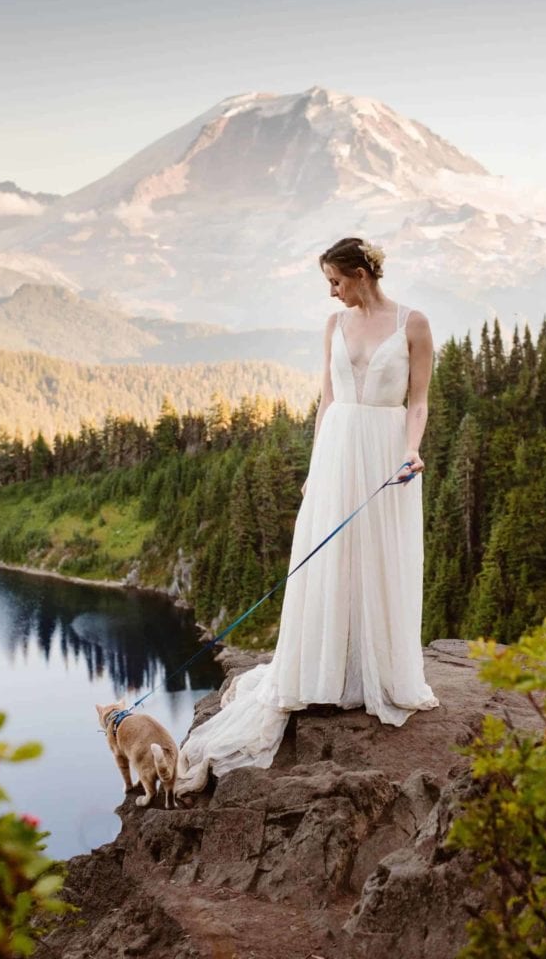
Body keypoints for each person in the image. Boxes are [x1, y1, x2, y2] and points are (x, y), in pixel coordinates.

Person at [174, 236, 439, 799]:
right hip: (339, 449)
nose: (332, 291)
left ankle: (377, 675)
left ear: (363, 273)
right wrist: (317, 468)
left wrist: (411, 450)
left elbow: (418, 401)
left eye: (337, 280)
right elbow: (325, 400)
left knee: (380, 558)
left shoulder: (414, 323)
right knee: (331, 560)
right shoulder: (332, 326)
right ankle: (323, 673)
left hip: (387, 449)